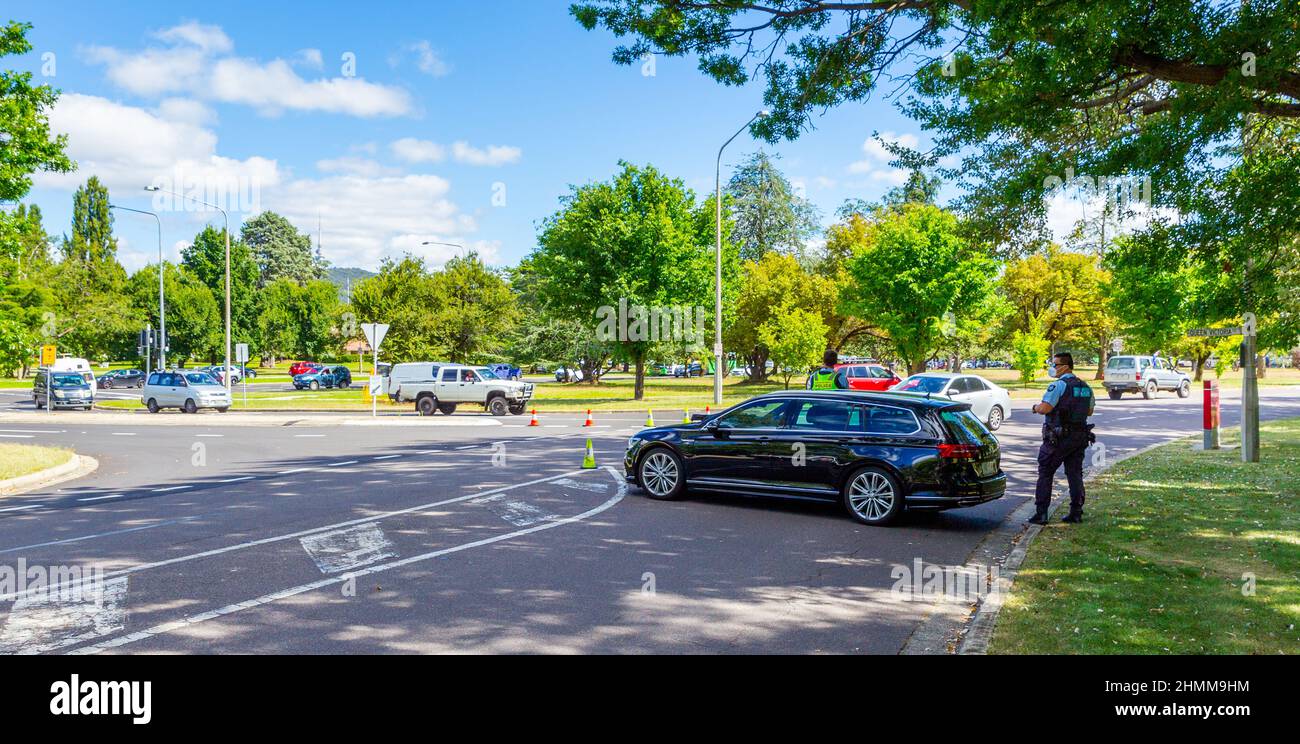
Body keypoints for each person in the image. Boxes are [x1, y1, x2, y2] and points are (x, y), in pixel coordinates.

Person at [1029, 352, 1095, 525]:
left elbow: (1046, 407)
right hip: (1079, 437)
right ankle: (1076, 512)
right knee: (1075, 474)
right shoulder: (1086, 387)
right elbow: (1089, 411)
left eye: (1055, 365)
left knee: (1045, 472)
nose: (1053, 368)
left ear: (1065, 366)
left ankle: (1041, 513)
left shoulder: (1058, 385)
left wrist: (1035, 407)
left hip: (1058, 438)